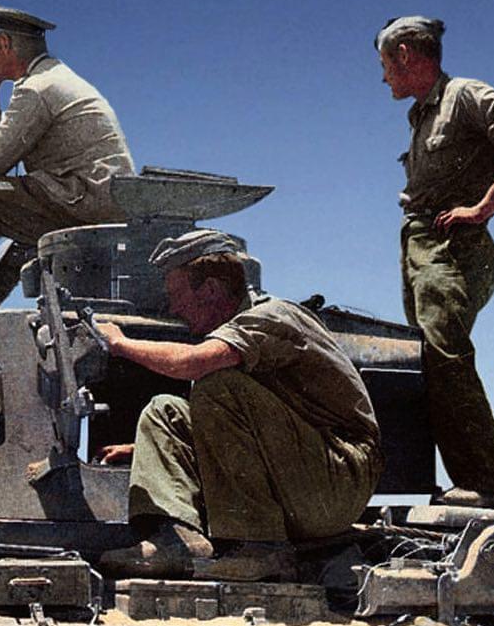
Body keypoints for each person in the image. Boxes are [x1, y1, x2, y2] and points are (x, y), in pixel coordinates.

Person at [93, 230, 383, 581]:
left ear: (211, 289)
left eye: (177, 295)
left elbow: (194, 363)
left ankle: (261, 550)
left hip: (337, 482)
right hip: (303, 476)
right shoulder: (242, 327)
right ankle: (178, 540)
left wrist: (119, 343)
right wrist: (154, 450)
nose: (173, 308)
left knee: (215, 386)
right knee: (165, 412)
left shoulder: (273, 315)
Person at [375, 16, 494, 510]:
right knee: (431, 358)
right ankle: (476, 481)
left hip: (454, 245)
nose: (384, 76)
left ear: (405, 54)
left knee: (445, 354)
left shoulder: (465, 94)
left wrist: (482, 208)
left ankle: (489, 484)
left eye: (386, 64)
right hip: (423, 245)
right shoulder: (422, 114)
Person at [0, 3, 135, 311]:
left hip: (80, 204)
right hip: (98, 203)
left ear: (4, 44)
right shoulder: (55, 77)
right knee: (20, 241)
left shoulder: (36, 89)